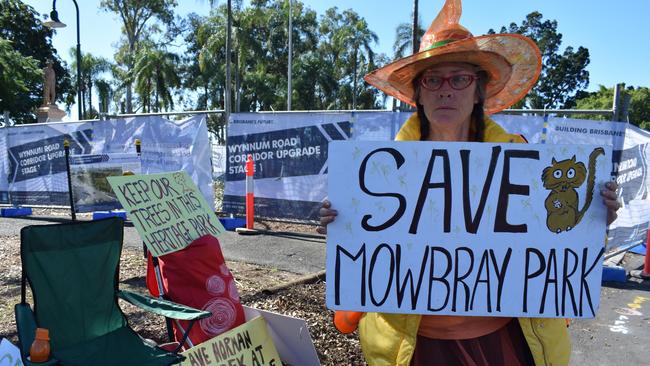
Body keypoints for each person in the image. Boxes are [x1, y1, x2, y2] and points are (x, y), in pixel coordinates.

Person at [318, 0, 621, 365]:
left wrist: (593, 217)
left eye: (459, 78)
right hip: (414, 351)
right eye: (433, 79)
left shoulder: (522, 164)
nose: (446, 90)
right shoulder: (378, 174)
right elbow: (367, 267)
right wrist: (342, 224)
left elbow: (556, 251)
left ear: (478, 90)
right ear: (418, 93)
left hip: (502, 347)